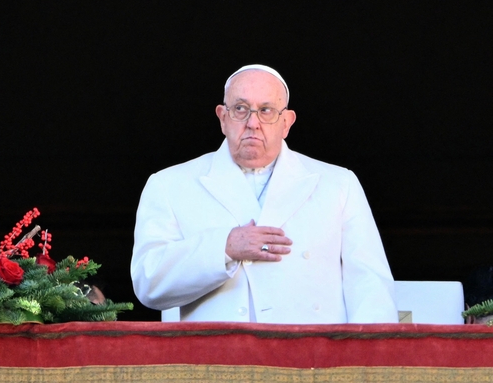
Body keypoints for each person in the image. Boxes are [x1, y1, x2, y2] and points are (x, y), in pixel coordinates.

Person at [130, 64, 398, 324]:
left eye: (266, 110)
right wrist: (223, 247)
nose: (253, 123)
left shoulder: (339, 184)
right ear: (223, 118)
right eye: (240, 109)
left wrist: (370, 361)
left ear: (286, 122)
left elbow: (370, 287)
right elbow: (148, 281)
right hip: (216, 361)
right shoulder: (169, 185)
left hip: (313, 361)